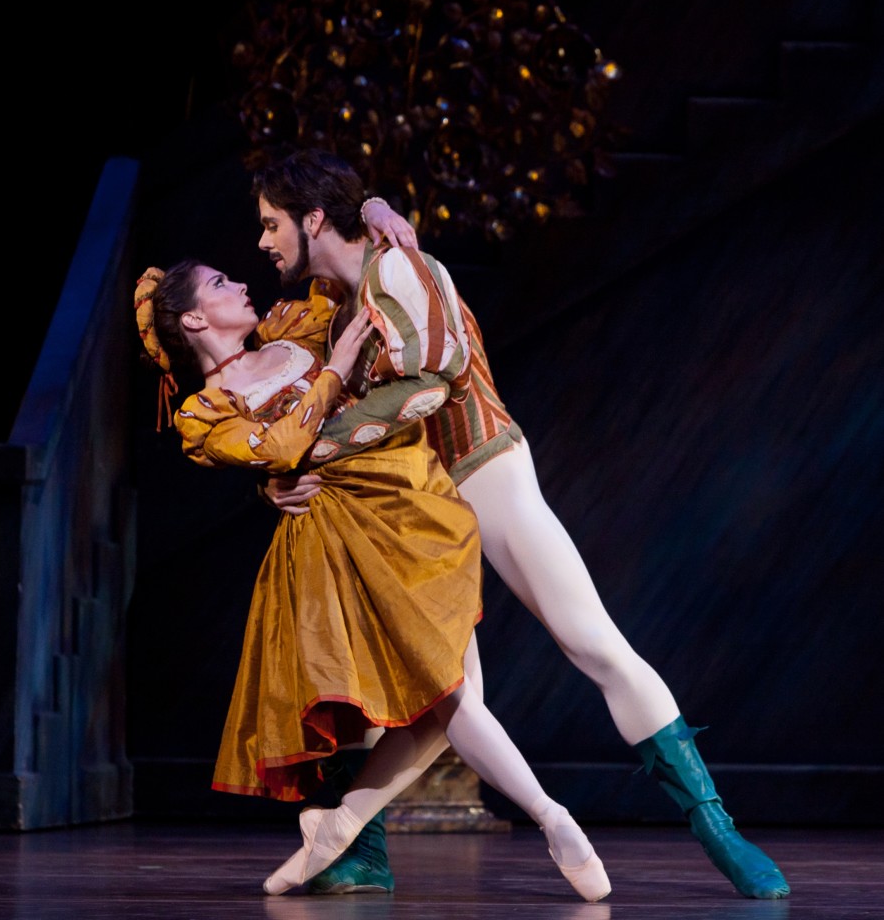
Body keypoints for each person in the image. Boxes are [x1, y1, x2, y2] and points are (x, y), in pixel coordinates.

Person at [254, 148, 791, 901]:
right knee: (435, 695)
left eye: (273, 223)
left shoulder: (402, 269)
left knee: (590, 640)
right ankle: (354, 840)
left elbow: (430, 379)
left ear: (313, 219)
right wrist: (280, 474)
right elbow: (278, 405)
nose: (262, 241)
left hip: (481, 469)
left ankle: (713, 824)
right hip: (410, 509)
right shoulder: (327, 304)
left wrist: (323, 442)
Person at [133, 259, 612, 902]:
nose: (242, 283)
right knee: (448, 697)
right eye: (220, 285)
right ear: (193, 318)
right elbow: (277, 449)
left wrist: (379, 218)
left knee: (448, 700)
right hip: (337, 545)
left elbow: (360, 281)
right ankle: (553, 818)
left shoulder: (292, 328)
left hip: (411, 505)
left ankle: (342, 826)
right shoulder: (204, 411)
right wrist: (318, 400)